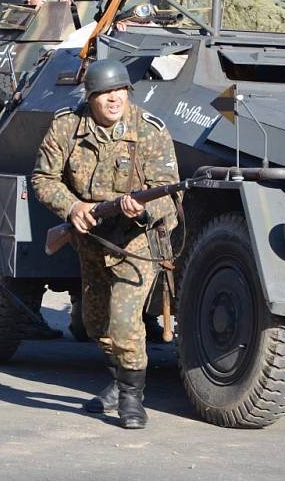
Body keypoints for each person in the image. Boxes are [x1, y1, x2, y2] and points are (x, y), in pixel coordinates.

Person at [32, 59, 179, 429]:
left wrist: (140, 210)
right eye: (105, 94)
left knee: (125, 321)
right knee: (95, 322)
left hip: (136, 242)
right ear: (91, 97)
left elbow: (171, 193)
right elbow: (42, 178)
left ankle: (132, 399)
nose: (114, 100)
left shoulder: (149, 131)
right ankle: (117, 380)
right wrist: (72, 207)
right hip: (91, 239)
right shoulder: (67, 126)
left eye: (120, 93)